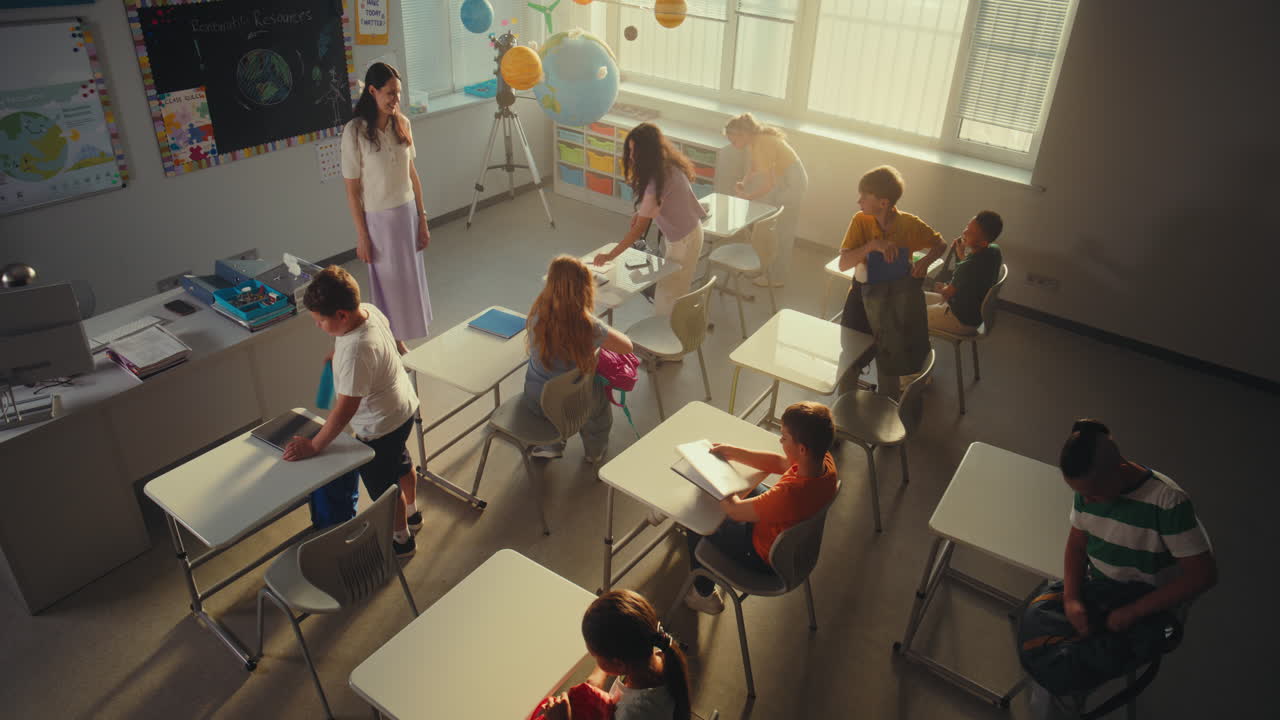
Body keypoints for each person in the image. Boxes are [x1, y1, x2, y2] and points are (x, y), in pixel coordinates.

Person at [1029, 419, 1218, 716]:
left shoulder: (1167, 502)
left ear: (1118, 469)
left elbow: (1203, 575)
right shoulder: (1089, 490)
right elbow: (1077, 545)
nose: (1086, 501)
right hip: (1103, 588)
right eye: (1082, 494)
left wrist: (1133, 611)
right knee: (1050, 651)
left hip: (1150, 604)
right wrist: (1072, 598)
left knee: (1063, 679)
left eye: (1092, 494)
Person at [283, 266, 421, 558]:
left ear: (341, 316)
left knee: (386, 487)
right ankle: (413, 511)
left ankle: (401, 539)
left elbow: (345, 409)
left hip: (379, 426)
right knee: (401, 462)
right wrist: (338, 352)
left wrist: (314, 444)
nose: (317, 326)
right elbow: (392, 342)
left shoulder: (356, 353)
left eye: (320, 321)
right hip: (403, 407)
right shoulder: (367, 310)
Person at [683, 402, 839, 614]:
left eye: (784, 437)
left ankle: (704, 595)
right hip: (792, 545)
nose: (780, 440)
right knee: (743, 490)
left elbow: (734, 510)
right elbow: (780, 462)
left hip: (760, 555)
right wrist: (733, 452)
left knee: (697, 520)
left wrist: (709, 474)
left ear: (802, 449)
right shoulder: (824, 464)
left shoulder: (788, 495)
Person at [341, 62, 432, 354]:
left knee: (409, 279)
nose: (396, 99)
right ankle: (394, 341)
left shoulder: (402, 123)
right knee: (388, 282)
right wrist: (362, 235)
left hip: (406, 213)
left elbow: (412, 173)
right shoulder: (354, 132)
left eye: (399, 93)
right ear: (372, 91)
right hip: (379, 221)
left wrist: (422, 218)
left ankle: (404, 335)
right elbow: (353, 192)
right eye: (390, 93)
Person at [837, 165, 946, 398]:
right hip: (861, 299)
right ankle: (844, 405)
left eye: (865, 196)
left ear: (883, 203)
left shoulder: (909, 224)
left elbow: (940, 245)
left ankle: (887, 409)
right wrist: (871, 246)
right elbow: (844, 263)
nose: (859, 201)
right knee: (851, 355)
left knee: (890, 357)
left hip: (894, 300)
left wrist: (925, 262)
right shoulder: (860, 221)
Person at [526, 256, 634, 462]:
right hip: (576, 402)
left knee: (550, 382)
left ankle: (551, 444)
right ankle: (595, 450)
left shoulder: (537, 313)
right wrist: (597, 325)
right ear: (585, 288)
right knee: (598, 404)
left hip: (537, 401)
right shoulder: (589, 326)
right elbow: (626, 346)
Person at [593, 123, 707, 317]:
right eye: (629, 151)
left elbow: (638, 231)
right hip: (687, 234)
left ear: (646, 152)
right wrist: (641, 213)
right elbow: (663, 202)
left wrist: (610, 256)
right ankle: (671, 328)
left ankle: (665, 336)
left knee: (668, 293)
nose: (630, 157)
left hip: (684, 240)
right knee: (674, 288)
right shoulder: (669, 166)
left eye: (634, 152)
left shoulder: (657, 181)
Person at [541, 589, 693, 720]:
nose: (596, 661)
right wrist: (596, 678)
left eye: (596, 657)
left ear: (619, 664)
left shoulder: (633, 714)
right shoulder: (658, 654)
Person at [723, 113, 809, 287]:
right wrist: (743, 183)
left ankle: (777, 277)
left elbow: (768, 185)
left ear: (743, 135)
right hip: (786, 182)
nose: (732, 145)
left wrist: (749, 197)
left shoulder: (762, 143)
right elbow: (754, 168)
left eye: (733, 141)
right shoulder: (756, 141)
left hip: (792, 185)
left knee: (781, 233)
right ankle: (763, 268)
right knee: (770, 227)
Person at [924, 211, 1004, 336]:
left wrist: (940, 287)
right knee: (917, 297)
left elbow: (947, 293)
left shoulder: (967, 267)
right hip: (974, 315)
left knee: (912, 313)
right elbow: (972, 273)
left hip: (960, 320)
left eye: (971, 232)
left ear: (983, 242)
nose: (965, 232)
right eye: (967, 227)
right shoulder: (994, 251)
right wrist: (961, 254)